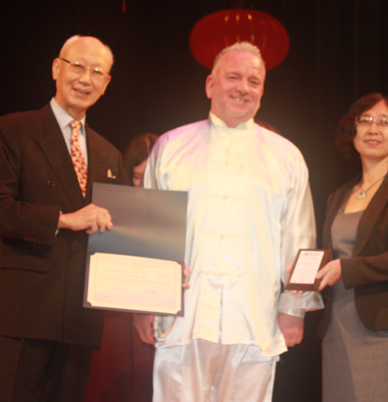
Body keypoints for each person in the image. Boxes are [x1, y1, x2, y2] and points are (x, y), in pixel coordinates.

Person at [136, 41, 323, 402]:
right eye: (234, 77)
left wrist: (294, 309)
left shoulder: (286, 155)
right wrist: (145, 303)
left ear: (263, 91)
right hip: (183, 316)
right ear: (210, 85)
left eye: (254, 81)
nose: (243, 87)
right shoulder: (170, 146)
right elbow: (148, 232)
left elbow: (302, 240)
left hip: (255, 317)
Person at [0, 35, 123, 402]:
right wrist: (63, 219)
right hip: (22, 311)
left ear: (106, 85)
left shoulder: (109, 154)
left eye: (97, 72)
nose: (85, 78)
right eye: (77, 66)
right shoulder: (11, 130)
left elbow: (117, 235)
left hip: (79, 318)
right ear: (57, 68)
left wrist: (162, 271)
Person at [316, 93, 388, 401]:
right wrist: (305, 273)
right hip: (338, 328)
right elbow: (334, 257)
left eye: (384, 122)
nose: (373, 129)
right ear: (352, 132)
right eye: (365, 121)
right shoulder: (337, 196)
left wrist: (347, 269)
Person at [84, 133, 159, 402]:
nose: (145, 185)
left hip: (162, 320)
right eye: (138, 177)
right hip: (116, 321)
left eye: (151, 175)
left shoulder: (176, 215)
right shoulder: (111, 210)